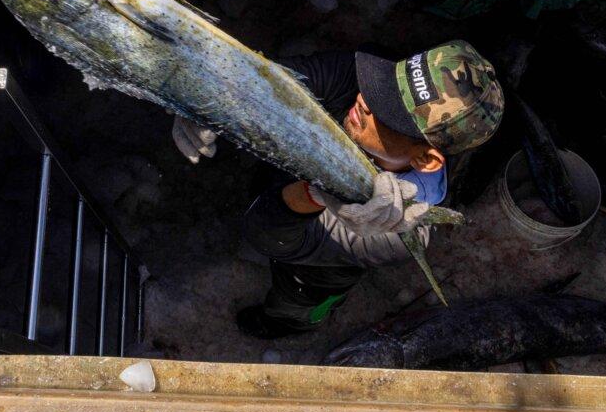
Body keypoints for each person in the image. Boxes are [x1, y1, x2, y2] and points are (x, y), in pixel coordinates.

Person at [172, 40, 505, 339]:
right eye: (385, 84)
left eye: (389, 111)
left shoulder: (394, 231)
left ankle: (291, 323)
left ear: (425, 159)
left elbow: (267, 234)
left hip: (310, 267)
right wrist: (216, 93)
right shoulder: (370, 79)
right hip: (283, 180)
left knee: (302, 297)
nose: (364, 98)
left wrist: (317, 194)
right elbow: (290, 77)